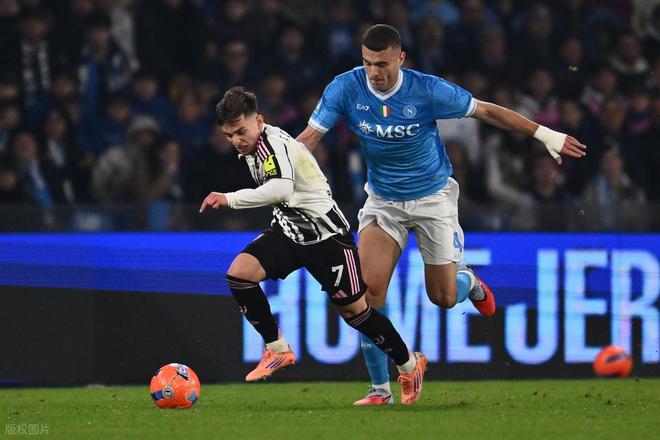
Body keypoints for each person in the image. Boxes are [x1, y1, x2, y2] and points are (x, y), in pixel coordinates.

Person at [295, 24, 587, 405]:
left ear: (401, 59)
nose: (374, 72)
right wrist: (279, 172)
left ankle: (469, 281)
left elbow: (486, 111)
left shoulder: (427, 90)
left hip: (432, 200)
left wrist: (545, 135)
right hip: (383, 201)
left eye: (382, 64)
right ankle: (380, 389)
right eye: (367, 63)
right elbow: (308, 140)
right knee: (365, 294)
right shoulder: (346, 87)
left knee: (444, 297)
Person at [199, 87, 428, 405]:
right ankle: (277, 349)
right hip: (290, 233)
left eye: (240, 131)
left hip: (327, 239)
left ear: (259, 121)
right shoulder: (252, 150)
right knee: (240, 275)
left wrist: (229, 198)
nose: (236, 140)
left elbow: (280, 189)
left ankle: (410, 365)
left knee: (356, 313)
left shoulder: (272, 146)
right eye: (229, 135)